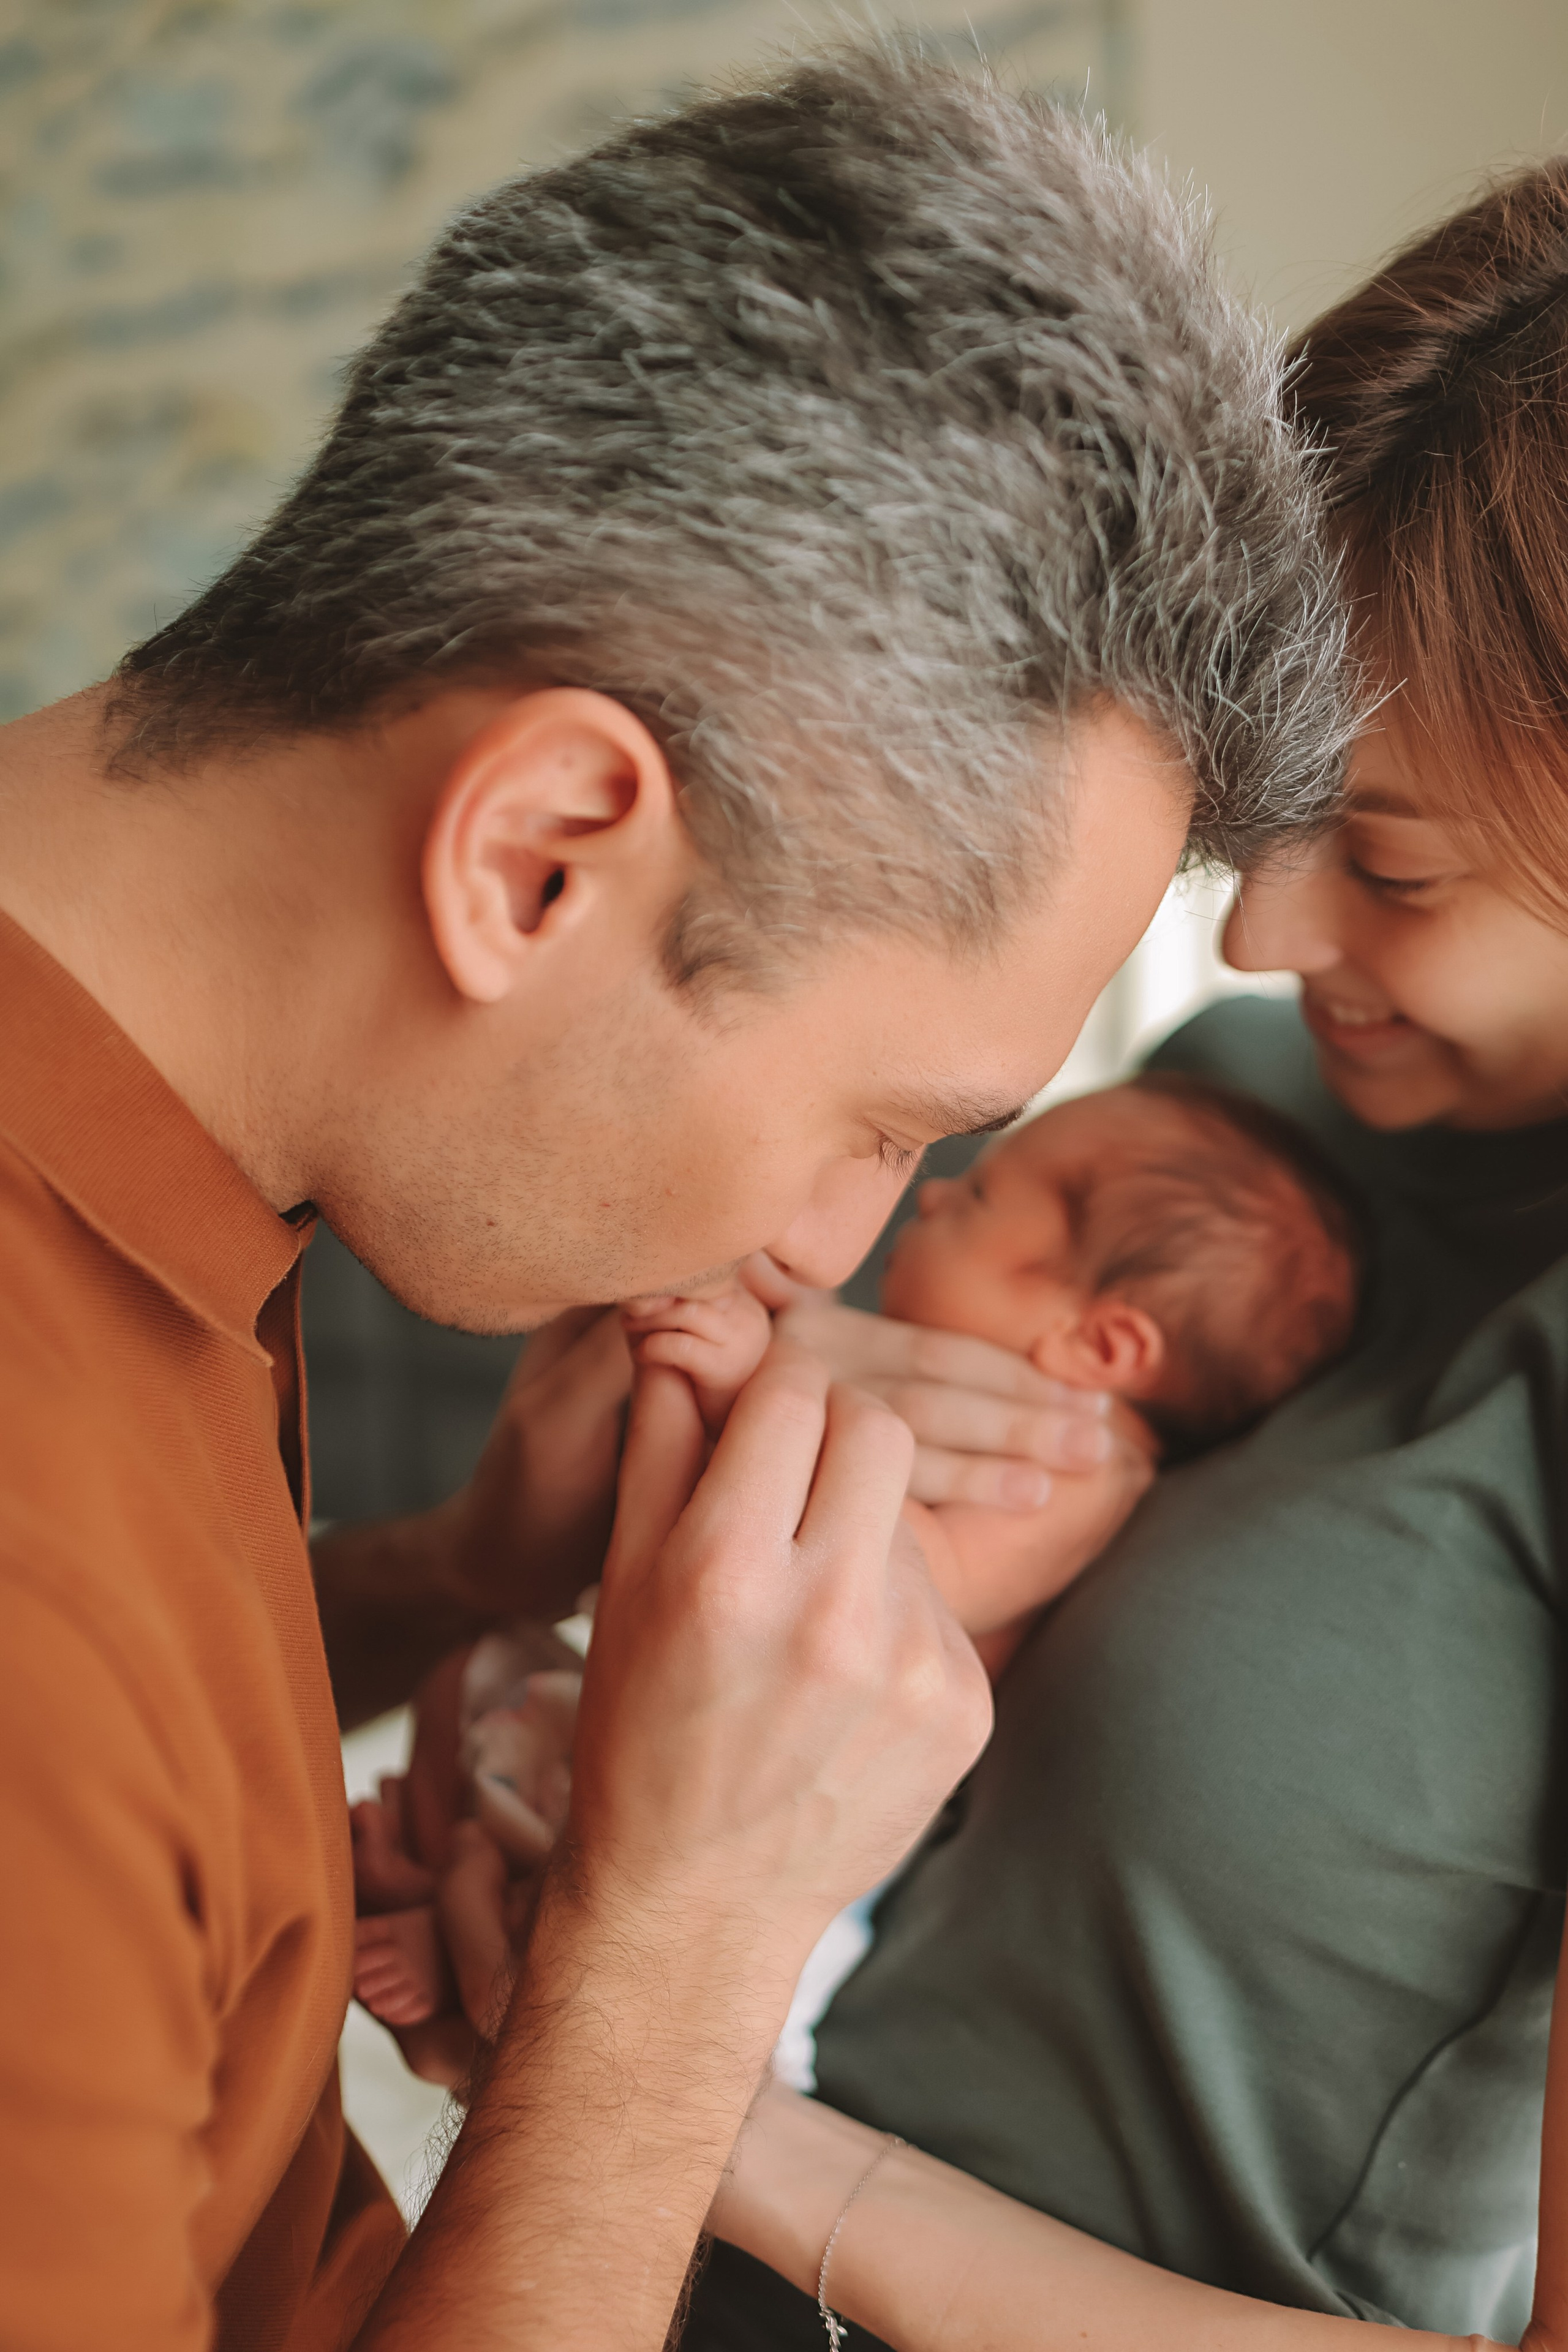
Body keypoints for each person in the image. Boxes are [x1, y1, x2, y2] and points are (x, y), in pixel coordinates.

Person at [0, 41, 1346, 2352]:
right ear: (539, 858)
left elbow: (131, 1797)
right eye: (886, 1120)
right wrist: (682, 1941)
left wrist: (449, 1584)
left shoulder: (172, 1163)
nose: (839, 1251)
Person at [680, 157, 1568, 2352]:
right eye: (1265, 829)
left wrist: (698, 2108)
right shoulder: (1248, 1105)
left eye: (1391, 864)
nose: (1261, 943)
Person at [347, 1071, 1366, 2041]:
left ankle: (466, 1925)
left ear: (1100, 1346)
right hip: (661, 1728)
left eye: (981, 1200)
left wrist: (751, 1379)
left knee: (580, 1953)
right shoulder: (962, 1391)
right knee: (469, 1674)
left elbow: (884, 1570)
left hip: (776, 1806)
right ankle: (449, 1872)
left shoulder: (1072, 1471)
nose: (931, 1200)